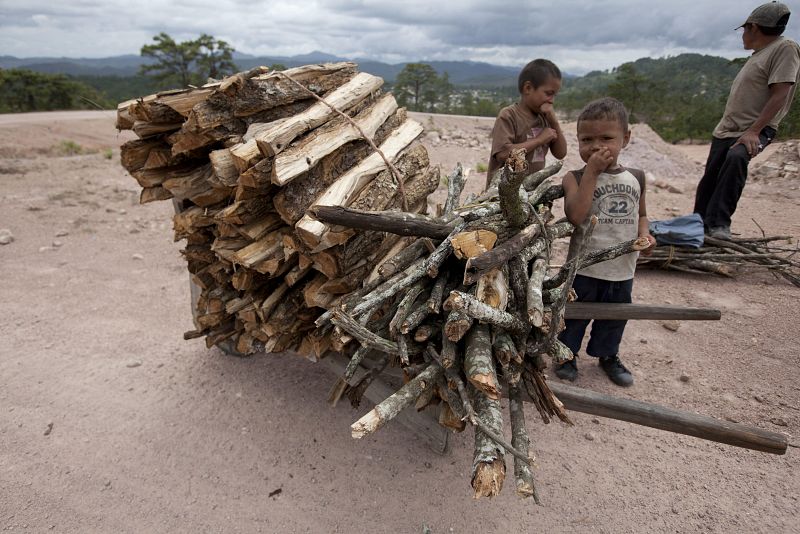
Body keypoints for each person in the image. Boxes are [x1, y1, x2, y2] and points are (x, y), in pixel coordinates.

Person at [554, 97, 656, 387]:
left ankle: (608, 355)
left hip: (623, 267)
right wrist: (591, 173)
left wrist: (645, 235)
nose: (597, 146)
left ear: (626, 138)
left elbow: (643, 214)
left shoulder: (636, 177)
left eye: (606, 138)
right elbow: (576, 214)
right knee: (573, 315)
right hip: (584, 267)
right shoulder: (574, 177)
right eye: (587, 139)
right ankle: (566, 354)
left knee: (614, 316)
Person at [694, 1, 800, 239]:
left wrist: (755, 130)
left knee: (737, 158)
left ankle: (719, 225)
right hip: (727, 130)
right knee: (710, 180)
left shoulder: (785, 48)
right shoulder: (759, 55)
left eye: (744, 29)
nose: (743, 35)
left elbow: (781, 92)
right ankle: (698, 227)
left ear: (753, 27)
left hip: (754, 129)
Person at [484, 58, 568, 190]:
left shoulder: (545, 118)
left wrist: (554, 123)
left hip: (532, 191)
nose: (551, 100)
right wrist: (539, 140)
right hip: (503, 193)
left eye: (555, 95)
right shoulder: (509, 115)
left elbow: (561, 153)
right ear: (528, 88)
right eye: (548, 94)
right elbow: (503, 154)